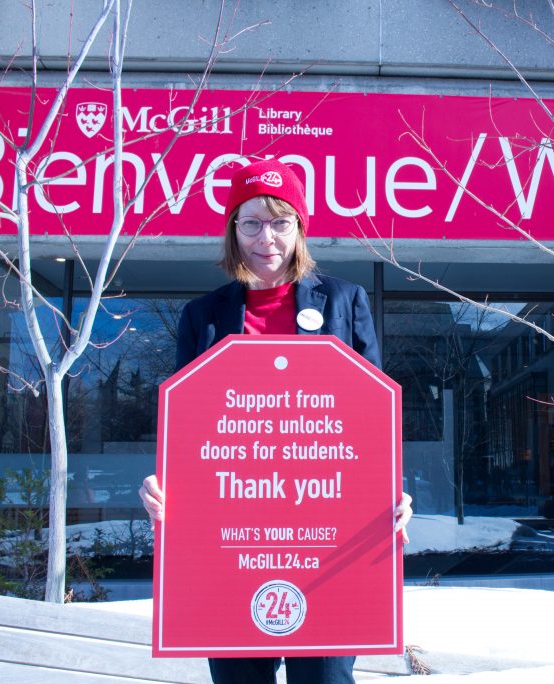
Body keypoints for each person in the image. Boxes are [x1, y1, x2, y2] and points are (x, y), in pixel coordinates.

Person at [139, 158, 412, 684]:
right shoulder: (203, 316)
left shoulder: (344, 302)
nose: (267, 238)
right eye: (251, 223)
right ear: (232, 231)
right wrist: (162, 484)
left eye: (280, 221)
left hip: (329, 542)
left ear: (300, 227)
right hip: (231, 548)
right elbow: (189, 428)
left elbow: (370, 418)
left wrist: (391, 492)